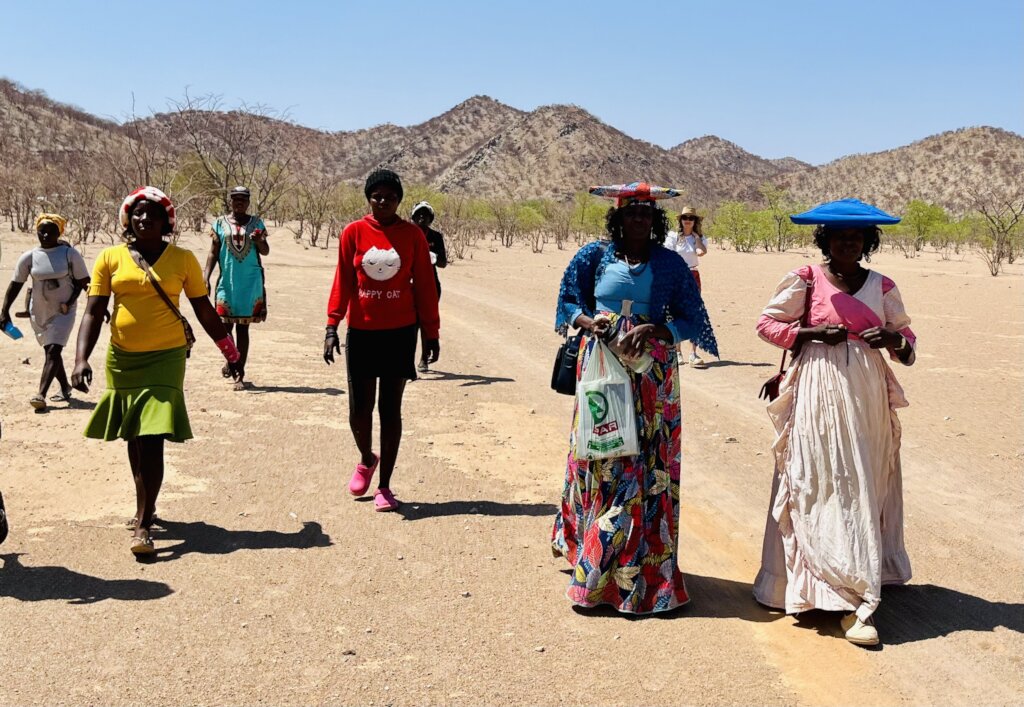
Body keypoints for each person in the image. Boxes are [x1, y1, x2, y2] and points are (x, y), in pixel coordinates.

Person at [752, 198, 916, 646]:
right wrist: (808, 334)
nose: (849, 241)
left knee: (859, 480)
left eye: (857, 236)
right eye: (840, 235)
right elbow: (767, 324)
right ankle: (811, 586)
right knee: (814, 478)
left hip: (865, 394)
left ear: (868, 241)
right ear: (825, 239)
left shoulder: (882, 286)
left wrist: (891, 338)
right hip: (816, 388)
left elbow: (909, 346)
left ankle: (853, 587)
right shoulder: (807, 278)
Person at [551, 181, 718, 614]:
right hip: (601, 367)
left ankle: (644, 571)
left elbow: (690, 317)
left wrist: (655, 329)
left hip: (652, 377)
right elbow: (568, 302)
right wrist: (594, 324)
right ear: (618, 218)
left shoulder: (669, 264)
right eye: (631, 213)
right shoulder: (593, 256)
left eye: (646, 213)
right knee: (602, 457)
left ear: (655, 219)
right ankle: (595, 561)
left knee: (647, 463)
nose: (639, 219)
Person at [71, 187, 241, 556]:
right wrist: (80, 358)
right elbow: (93, 311)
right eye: (138, 214)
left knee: (152, 436)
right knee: (134, 436)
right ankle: (144, 505)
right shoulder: (110, 258)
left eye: (153, 214)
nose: (144, 219)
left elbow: (203, 309)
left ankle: (144, 524)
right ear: (128, 220)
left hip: (166, 357)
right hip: (123, 359)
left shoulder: (182, 260)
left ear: (167, 222)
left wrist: (230, 350)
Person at [323, 170, 440, 512]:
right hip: (361, 333)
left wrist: (430, 333)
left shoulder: (413, 235)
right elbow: (343, 280)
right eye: (377, 196)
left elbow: (425, 287)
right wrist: (332, 326)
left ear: (399, 200)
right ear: (368, 199)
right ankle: (365, 457)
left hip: (400, 333)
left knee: (390, 410)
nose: (383, 201)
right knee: (359, 411)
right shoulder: (353, 232)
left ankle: (385, 486)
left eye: (390, 196)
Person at [0, 214, 90, 410]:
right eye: (42, 230)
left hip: (63, 311)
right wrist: (4, 311)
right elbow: (15, 285)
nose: (46, 234)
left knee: (53, 350)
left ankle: (40, 395)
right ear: (36, 231)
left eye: (51, 230)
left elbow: (85, 283)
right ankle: (65, 387)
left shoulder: (70, 255)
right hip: (38, 312)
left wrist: (97, 308)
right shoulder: (29, 257)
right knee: (51, 352)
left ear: (60, 232)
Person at [203, 186, 270, 391]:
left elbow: (265, 251)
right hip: (228, 282)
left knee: (243, 328)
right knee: (224, 328)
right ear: (230, 201)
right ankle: (232, 359)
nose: (239, 202)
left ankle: (239, 373)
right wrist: (205, 277)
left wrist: (259, 241)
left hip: (250, 284)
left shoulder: (257, 224)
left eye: (243, 199)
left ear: (248, 202)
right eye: (235, 199)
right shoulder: (220, 224)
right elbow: (213, 253)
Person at [663, 206, 709, 368]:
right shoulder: (673, 236)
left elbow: (701, 252)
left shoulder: (701, 238)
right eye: (685, 217)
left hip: (693, 276)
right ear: (680, 220)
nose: (688, 220)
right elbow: (667, 253)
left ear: (695, 221)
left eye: (691, 217)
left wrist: (696, 238)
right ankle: (677, 351)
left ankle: (693, 353)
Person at [410, 200, 447, 373]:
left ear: (431, 218)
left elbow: (443, 263)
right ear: (413, 216)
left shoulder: (435, 237)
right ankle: (406, 360)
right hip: (409, 285)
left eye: (426, 214)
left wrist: (432, 256)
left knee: (426, 322)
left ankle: (424, 358)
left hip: (431, 284)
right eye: (419, 214)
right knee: (410, 323)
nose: (422, 217)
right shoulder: (406, 235)